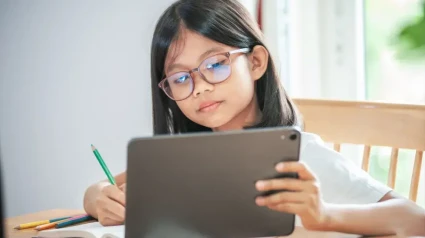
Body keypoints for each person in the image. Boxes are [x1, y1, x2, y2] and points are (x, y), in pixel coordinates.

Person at [83, 0, 425, 236]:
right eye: (181, 77)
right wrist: (99, 196)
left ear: (256, 62)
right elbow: (104, 187)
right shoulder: (185, 159)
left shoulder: (299, 155)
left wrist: (323, 215)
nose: (199, 87)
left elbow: (415, 219)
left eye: (215, 64)